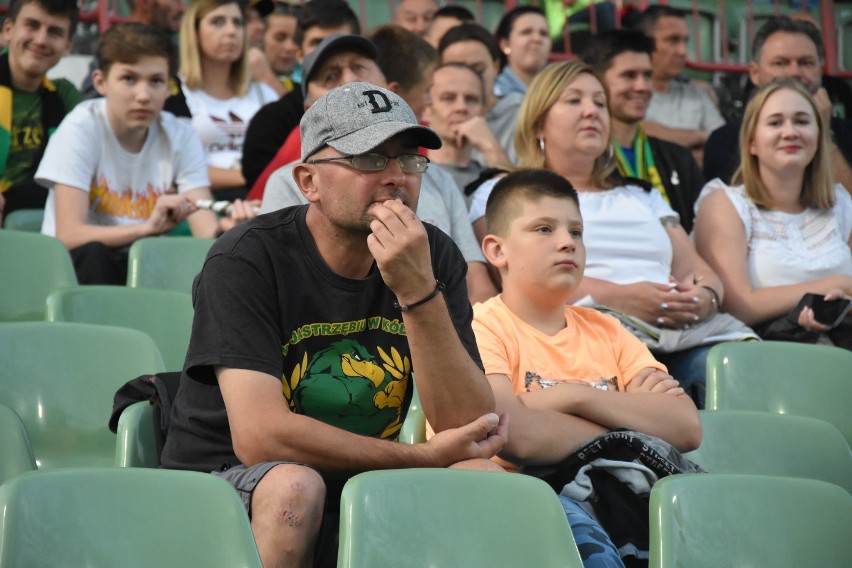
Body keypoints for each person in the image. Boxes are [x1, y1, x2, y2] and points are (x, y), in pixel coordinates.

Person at [160, 82, 507, 567]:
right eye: (369, 159)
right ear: (308, 182)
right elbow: (260, 438)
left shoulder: (432, 255)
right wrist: (419, 457)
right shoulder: (245, 259)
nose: (396, 177)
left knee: (483, 475)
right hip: (229, 482)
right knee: (294, 486)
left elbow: (467, 423)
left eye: (409, 160)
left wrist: (416, 293)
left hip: (358, 475)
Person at [470, 62, 757, 407]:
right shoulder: (502, 191)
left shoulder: (642, 194)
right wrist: (622, 298)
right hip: (588, 339)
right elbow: (511, 273)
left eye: (600, 103)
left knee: (749, 368)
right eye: (574, 101)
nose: (591, 111)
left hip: (683, 330)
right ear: (538, 121)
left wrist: (704, 296)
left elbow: (694, 266)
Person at [475, 168, 702, 567]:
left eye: (576, 232)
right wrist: (628, 418)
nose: (566, 242)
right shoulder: (482, 327)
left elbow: (685, 427)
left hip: (625, 495)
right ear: (496, 250)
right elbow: (516, 437)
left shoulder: (608, 329)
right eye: (544, 229)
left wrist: (569, 396)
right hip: (530, 502)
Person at [259, 35, 498, 305]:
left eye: (360, 68)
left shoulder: (439, 186)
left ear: (392, 90)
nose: (396, 177)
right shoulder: (283, 188)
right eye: (367, 159)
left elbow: (477, 287)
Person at [35, 23, 255, 285]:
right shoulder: (81, 126)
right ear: (101, 82)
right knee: (93, 254)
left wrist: (227, 227)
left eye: (156, 81)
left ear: (169, 88)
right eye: (129, 78)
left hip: (144, 269)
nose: (143, 95)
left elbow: (205, 232)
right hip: (75, 272)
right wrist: (146, 229)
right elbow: (69, 235)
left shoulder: (181, 134)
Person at [694, 79, 852, 348]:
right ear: (752, 142)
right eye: (775, 123)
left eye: (802, 121)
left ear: (819, 137)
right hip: (763, 349)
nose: (790, 132)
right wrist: (835, 284)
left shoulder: (841, 202)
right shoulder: (725, 202)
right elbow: (739, 305)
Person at [703, 16, 852, 194]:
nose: (794, 72)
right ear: (755, 73)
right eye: (780, 63)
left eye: (806, 63)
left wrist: (824, 133)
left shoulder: (846, 133)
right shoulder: (726, 139)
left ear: (820, 72)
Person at [582, 29, 704, 232]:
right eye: (629, 75)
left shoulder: (679, 159)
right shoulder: (583, 161)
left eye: (647, 75)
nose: (642, 87)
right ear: (596, 81)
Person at [247, 33, 387, 199]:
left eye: (359, 67)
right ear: (309, 109)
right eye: (330, 77)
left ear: (390, 87)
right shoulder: (286, 184)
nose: (350, 80)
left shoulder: (423, 157)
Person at [240, 0, 360, 190]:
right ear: (299, 53)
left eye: (339, 42)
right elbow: (261, 198)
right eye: (317, 43)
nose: (328, 52)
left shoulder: (388, 112)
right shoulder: (270, 121)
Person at [165, 0, 277, 201]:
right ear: (194, 32)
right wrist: (252, 175)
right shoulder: (173, 93)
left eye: (238, 22)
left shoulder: (264, 94)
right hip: (201, 205)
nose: (231, 31)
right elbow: (175, 166)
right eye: (218, 22)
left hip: (264, 202)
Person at [0, 0, 80, 222]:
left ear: (67, 45)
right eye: (32, 25)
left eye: (54, 32)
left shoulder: (64, 95)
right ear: (8, 30)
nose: (41, 40)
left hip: (34, 213)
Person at [633, 6, 725, 165]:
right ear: (645, 43)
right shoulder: (630, 94)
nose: (683, 51)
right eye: (673, 40)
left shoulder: (697, 94)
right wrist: (697, 137)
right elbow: (631, 130)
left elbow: (724, 145)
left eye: (685, 41)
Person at [439, 23, 524, 165]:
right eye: (456, 68)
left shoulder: (523, 115)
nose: (467, 77)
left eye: (477, 69)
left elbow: (528, 186)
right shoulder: (430, 118)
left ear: (496, 67)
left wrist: (490, 147)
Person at [425, 63, 511, 198]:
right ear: (426, 109)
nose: (461, 107)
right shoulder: (414, 177)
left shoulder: (491, 177)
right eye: (448, 98)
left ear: (483, 112)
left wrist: (491, 148)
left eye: (471, 99)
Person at [78, 0, 185, 100]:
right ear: (145, 2)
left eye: (156, 81)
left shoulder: (185, 54)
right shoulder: (113, 49)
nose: (182, 8)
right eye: (129, 79)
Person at [493, 6, 552, 98]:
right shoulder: (493, 92)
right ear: (505, 44)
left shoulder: (565, 88)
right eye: (526, 32)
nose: (537, 39)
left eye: (543, 33)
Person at [260, 1, 301, 94]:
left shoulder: (305, 92)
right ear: (260, 37)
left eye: (296, 39)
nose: (290, 47)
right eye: (280, 38)